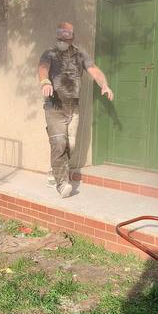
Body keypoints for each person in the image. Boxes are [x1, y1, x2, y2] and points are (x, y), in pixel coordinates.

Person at [38, 22, 114, 198]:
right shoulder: (49, 53)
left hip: (73, 107)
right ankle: (62, 184)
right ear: (57, 37)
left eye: (66, 38)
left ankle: (54, 171)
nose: (62, 41)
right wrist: (45, 82)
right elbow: (43, 69)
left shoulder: (81, 55)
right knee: (59, 143)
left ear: (72, 38)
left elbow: (95, 71)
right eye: (60, 38)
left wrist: (104, 85)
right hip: (54, 106)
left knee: (70, 145)